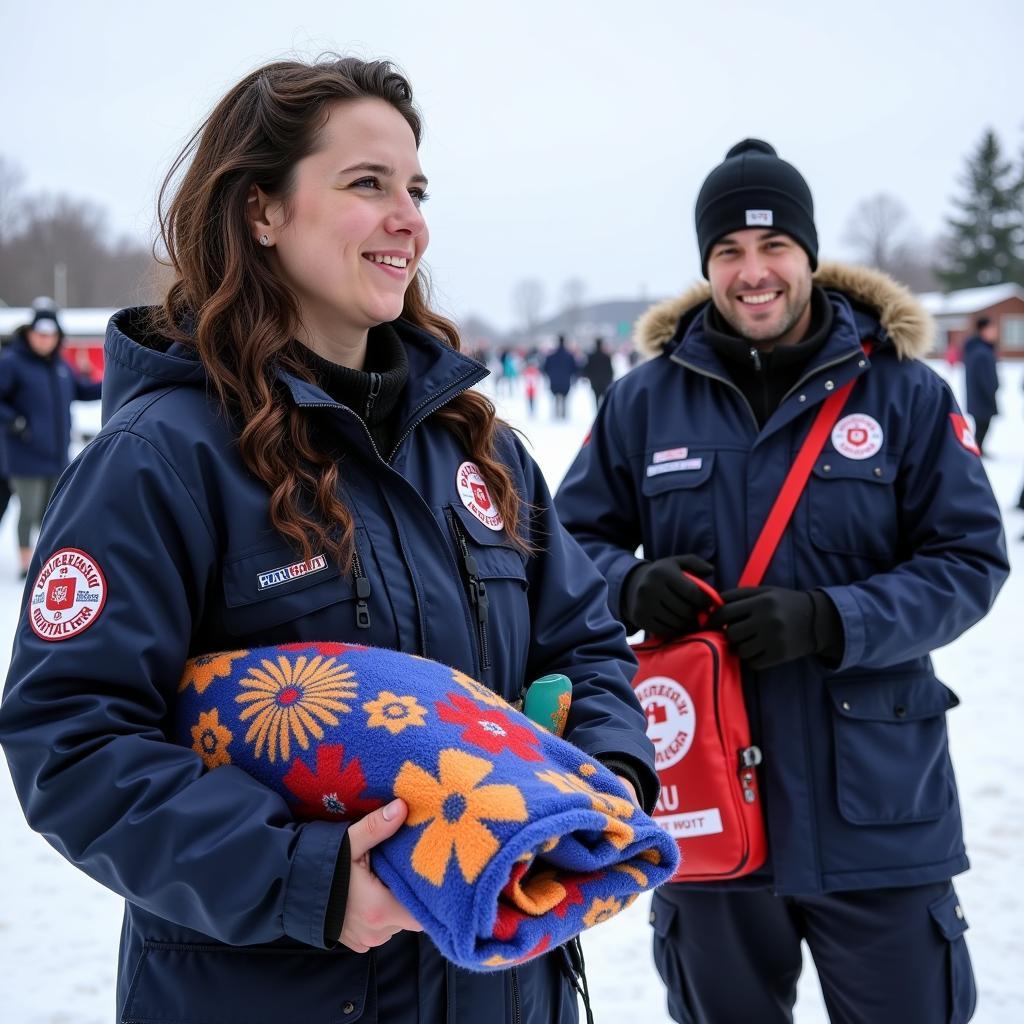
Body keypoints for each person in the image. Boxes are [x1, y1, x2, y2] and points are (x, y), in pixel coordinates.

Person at [0, 57, 658, 1024]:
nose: (410, 219)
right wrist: (306, 880)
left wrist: (602, 790)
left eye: (417, 189)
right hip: (276, 992)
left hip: (505, 987)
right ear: (261, 211)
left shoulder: (482, 450)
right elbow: (74, 740)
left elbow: (586, 648)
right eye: (367, 184)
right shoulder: (162, 457)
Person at [555, 138, 1008, 1024]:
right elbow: (567, 549)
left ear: (808, 255)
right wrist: (630, 586)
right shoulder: (643, 401)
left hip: (879, 815)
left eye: (773, 248)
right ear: (706, 266)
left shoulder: (905, 395)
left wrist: (833, 619)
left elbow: (970, 561)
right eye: (728, 251)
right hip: (707, 803)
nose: (752, 271)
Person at [0, 307, 102, 576]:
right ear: (30, 333)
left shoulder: (61, 365)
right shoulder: (12, 362)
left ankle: (45, 559)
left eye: (51, 334)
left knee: (53, 513)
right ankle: (25, 562)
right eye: (40, 333)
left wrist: (111, 381)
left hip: (57, 455)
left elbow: (82, 391)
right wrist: (16, 422)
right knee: (29, 511)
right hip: (24, 454)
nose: (45, 339)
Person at [961, 316, 1000, 455]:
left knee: (981, 426)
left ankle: (978, 450)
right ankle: (975, 451)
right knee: (982, 426)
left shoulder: (977, 348)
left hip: (977, 397)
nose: (996, 332)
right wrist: (993, 389)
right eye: (993, 329)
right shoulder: (981, 352)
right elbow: (985, 378)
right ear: (983, 330)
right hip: (982, 397)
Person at [543, 334, 578, 420]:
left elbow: (545, 368)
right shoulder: (569, 356)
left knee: (556, 397)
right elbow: (574, 369)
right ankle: (563, 414)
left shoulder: (551, 356)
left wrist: (550, 375)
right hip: (566, 380)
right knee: (565, 398)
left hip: (554, 381)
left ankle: (556, 413)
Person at [582, 337, 614, 410]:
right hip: (604, 381)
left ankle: (597, 410)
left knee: (596, 397)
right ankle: (602, 411)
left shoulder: (591, 357)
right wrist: (610, 379)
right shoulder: (606, 357)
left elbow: (587, 369)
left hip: (594, 381)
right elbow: (610, 370)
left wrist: (587, 376)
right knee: (604, 397)